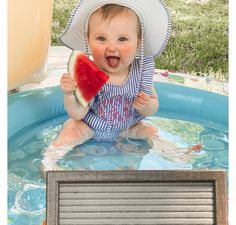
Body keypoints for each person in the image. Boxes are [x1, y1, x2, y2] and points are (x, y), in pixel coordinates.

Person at [42, 0, 201, 171]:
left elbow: (154, 105)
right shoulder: (88, 73)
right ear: (88, 41)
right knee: (73, 129)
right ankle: (49, 161)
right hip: (91, 126)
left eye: (122, 39)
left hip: (127, 127)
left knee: (151, 132)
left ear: (138, 42)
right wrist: (69, 95)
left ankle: (177, 153)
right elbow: (79, 113)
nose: (111, 47)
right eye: (101, 38)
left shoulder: (140, 72)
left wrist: (147, 105)